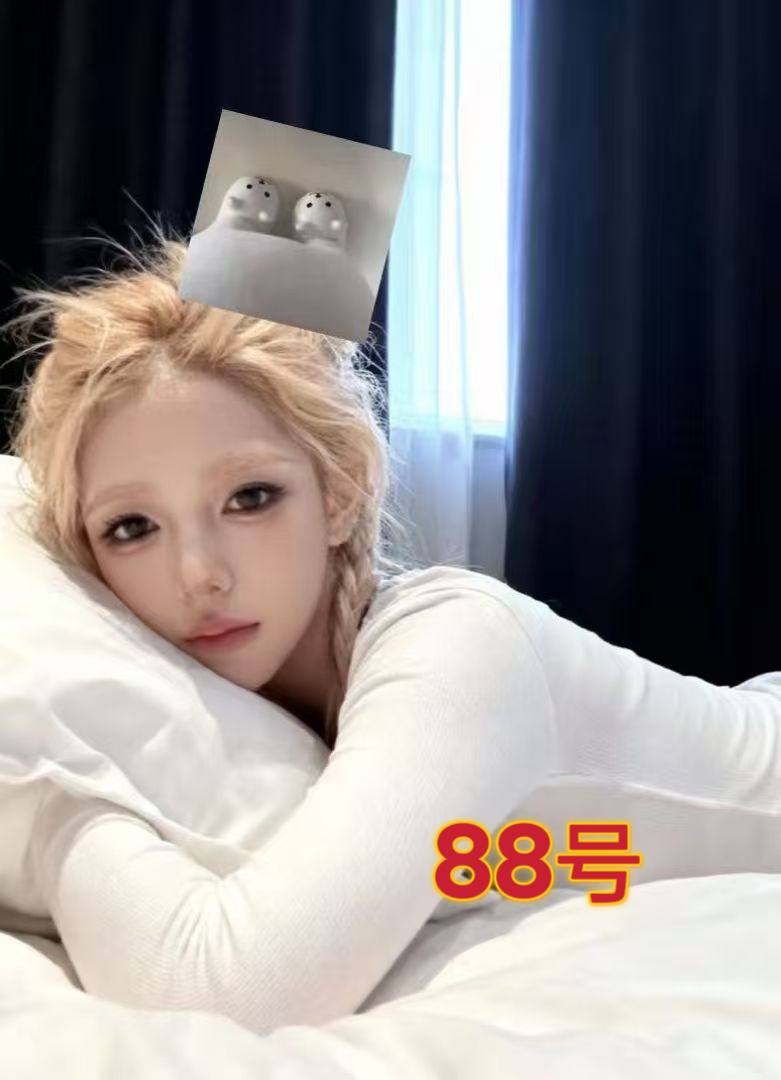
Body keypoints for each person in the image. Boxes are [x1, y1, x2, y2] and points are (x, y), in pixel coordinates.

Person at [2, 222, 780, 1036]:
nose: (198, 573)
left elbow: (227, 990)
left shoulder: (458, 649)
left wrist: (54, 807)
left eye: (250, 497)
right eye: (132, 527)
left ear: (340, 492)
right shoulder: (234, 705)